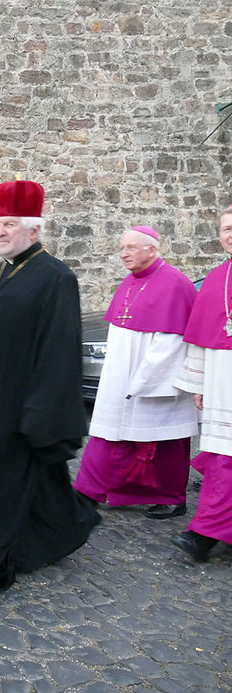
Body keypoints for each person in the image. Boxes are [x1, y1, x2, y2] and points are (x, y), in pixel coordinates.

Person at [0, 179, 100, 594]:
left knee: (1, 488)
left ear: (34, 230)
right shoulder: (0, 272)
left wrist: (40, 415)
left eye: (9, 224)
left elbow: (58, 353)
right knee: (39, 484)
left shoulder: (56, 278)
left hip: (25, 407)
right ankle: (65, 529)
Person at [73, 226, 198, 518]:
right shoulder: (130, 281)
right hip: (122, 376)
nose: (123, 254)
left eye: (130, 248)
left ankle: (171, 497)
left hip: (155, 380)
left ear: (151, 249)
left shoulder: (175, 285)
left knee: (164, 441)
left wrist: (145, 380)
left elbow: (172, 341)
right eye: (122, 248)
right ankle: (89, 490)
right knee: (108, 433)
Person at [171, 204, 232, 561]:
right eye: (225, 228)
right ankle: (205, 532)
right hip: (223, 384)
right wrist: (200, 385)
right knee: (222, 458)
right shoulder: (215, 279)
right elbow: (200, 338)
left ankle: (204, 533)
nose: (229, 234)